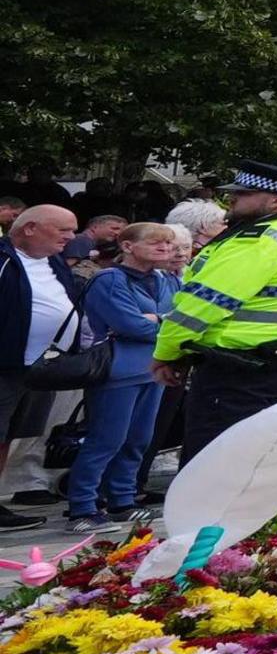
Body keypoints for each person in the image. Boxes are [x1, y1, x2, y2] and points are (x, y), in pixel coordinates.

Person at [153, 163, 277, 455]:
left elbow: (201, 307)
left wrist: (167, 354)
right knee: (256, 462)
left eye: (244, 193)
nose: (231, 199)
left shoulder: (261, 241)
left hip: (237, 371)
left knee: (212, 463)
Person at [64, 222, 183, 525]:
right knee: (106, 439)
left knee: (139, 439)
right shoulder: (109, 279)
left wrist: (158, 318)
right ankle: (82, 504)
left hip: (154, 368)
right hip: (118, 369)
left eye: (169, 244)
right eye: (156, 242)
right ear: (128, 246)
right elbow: (131, 325)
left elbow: (187, 319)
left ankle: (122, 498)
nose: (165, 249)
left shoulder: (166, 279)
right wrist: (167, 321)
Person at [0, 201, 88, 519]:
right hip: (7, 364)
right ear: (30, 228)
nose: (71, 237)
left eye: (74, 229)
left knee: (12, 434)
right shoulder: (4, 259)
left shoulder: (54, 261)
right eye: (63, 229)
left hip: (43, 366)